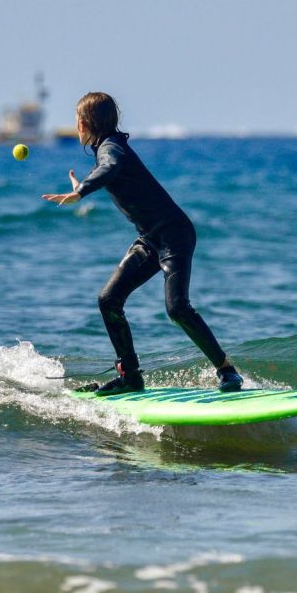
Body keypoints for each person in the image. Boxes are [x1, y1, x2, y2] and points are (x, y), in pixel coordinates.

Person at [42, 92, 243, 396]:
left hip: (174, 234)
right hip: (151, 239)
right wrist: (83, 185)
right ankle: (130, 376)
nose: (76, 126)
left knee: (177, 309)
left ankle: (227, 371)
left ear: (85, 123)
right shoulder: (109, 148)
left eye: (77, 121)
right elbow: (106, 170)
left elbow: (109, 168)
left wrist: (81, 191)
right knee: (108, 300)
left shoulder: (111, 149)